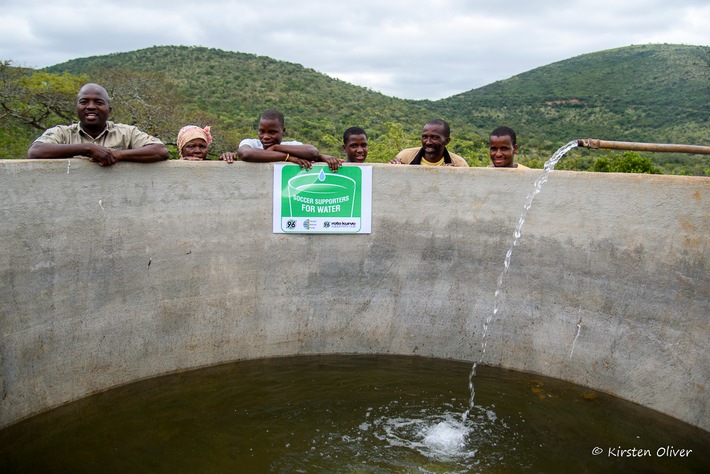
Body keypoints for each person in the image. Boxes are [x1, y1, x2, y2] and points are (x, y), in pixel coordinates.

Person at [27, 83, 168, 165]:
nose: (91, 107)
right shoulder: (62, 133)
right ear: (77, 108)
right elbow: (35, 151)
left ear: (109, 110)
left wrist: (118, 155)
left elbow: (160, 150)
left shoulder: (126, 133)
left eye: (98, 102)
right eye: (84, 102)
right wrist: (88, 149)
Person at [220, 109, 340, 171]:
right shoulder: (252, 143)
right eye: (262, 131)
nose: (266, 137)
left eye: (272, 132)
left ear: (283, 131)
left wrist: (277, 147)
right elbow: (246, 154)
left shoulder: (290, 145)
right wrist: (287, 157)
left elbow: (312, 152)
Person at [389, 119, 468, 167]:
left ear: (447, 141)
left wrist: (453, 175)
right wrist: (393, 169)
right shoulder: (405, 157)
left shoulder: (459, 164)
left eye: (435, 137)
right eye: (424, 137)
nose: (428, 142)